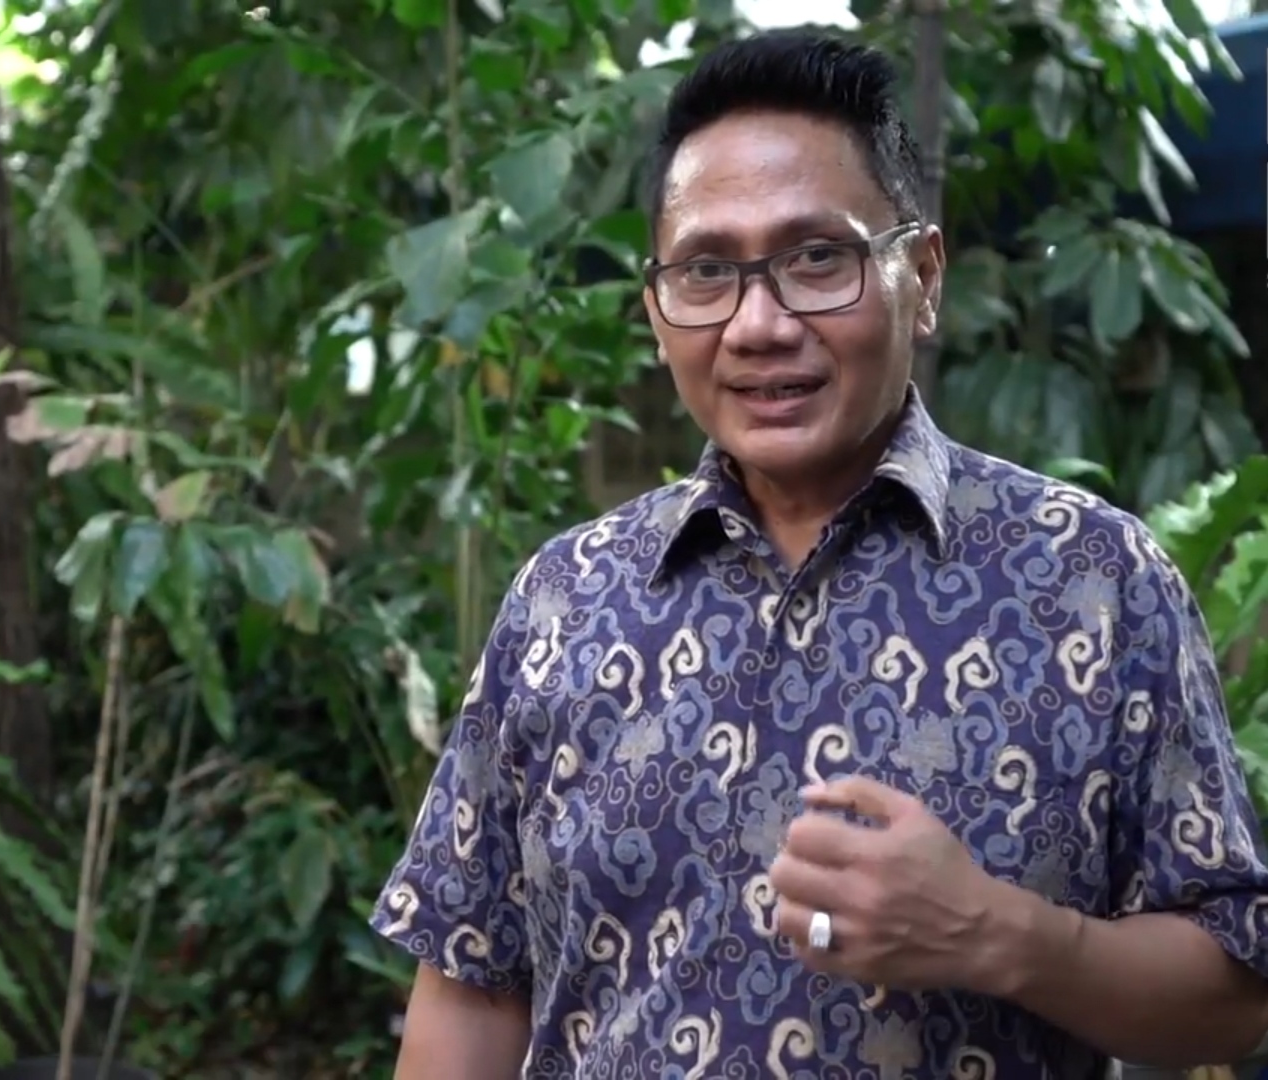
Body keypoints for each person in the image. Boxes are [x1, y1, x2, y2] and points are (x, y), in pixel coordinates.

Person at [371, 28, 1268, 1079]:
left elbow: (1233, 998)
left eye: (815, 259)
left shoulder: (1093, 579)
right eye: (707, 270)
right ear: (657, 311)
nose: (757, 324)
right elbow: (474, 985)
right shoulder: (565, 598)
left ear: (920, 277)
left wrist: (1001, 934)